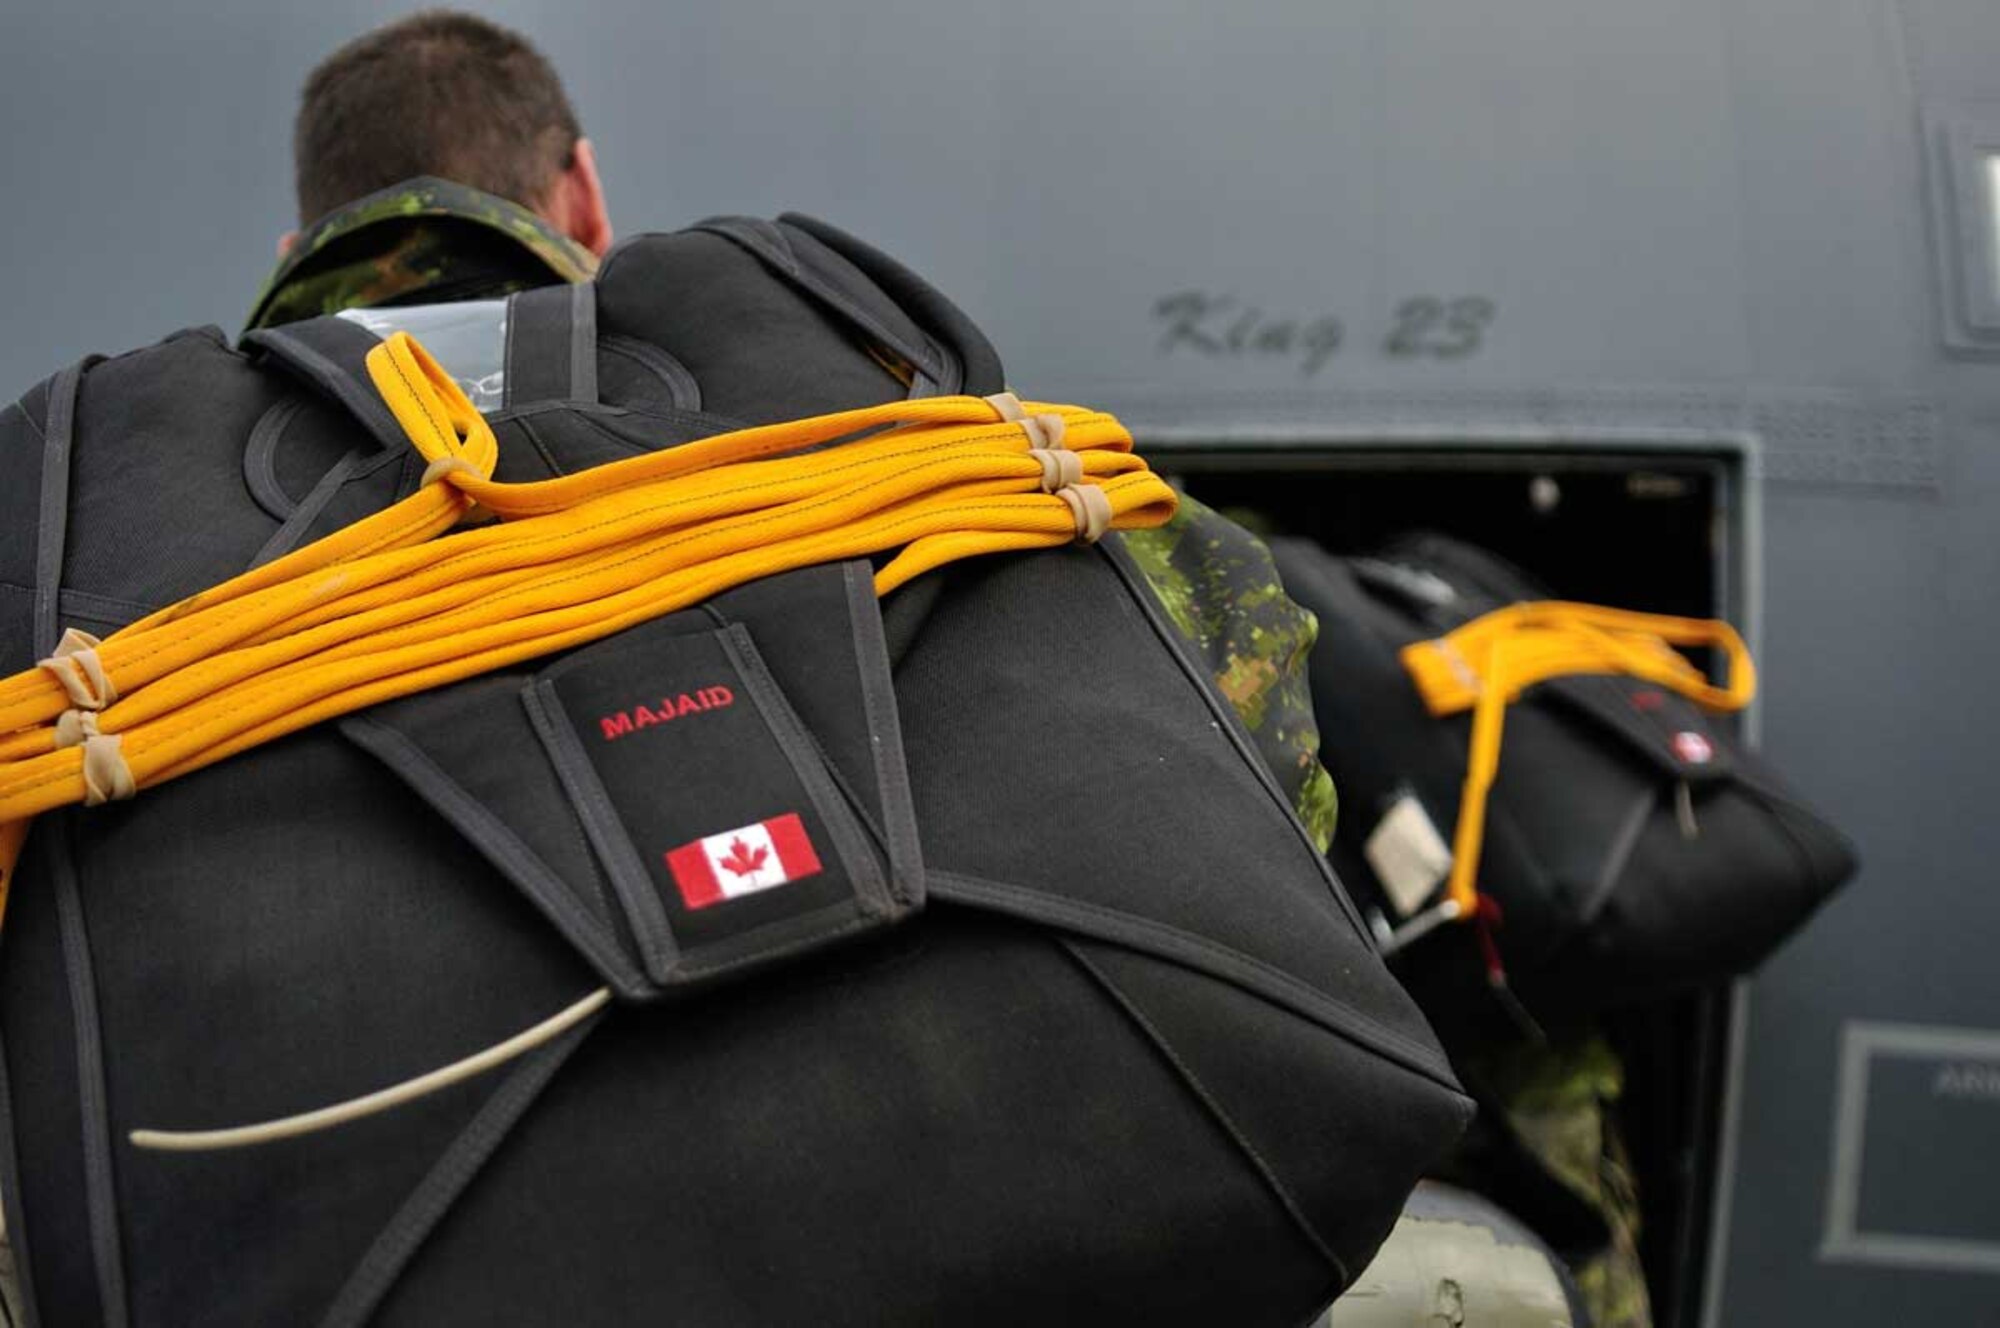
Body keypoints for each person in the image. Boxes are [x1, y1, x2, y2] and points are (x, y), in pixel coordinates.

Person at [1, 11, 1405, 1324]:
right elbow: (1266, 796)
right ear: (586, 198)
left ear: (302, 244)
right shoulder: (874, 402)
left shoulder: (96, 556)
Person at [248, 10, 1337, 852]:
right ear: (582, 194)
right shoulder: (809, 381)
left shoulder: (153, 502)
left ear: (302, 245)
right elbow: (1232, 663)